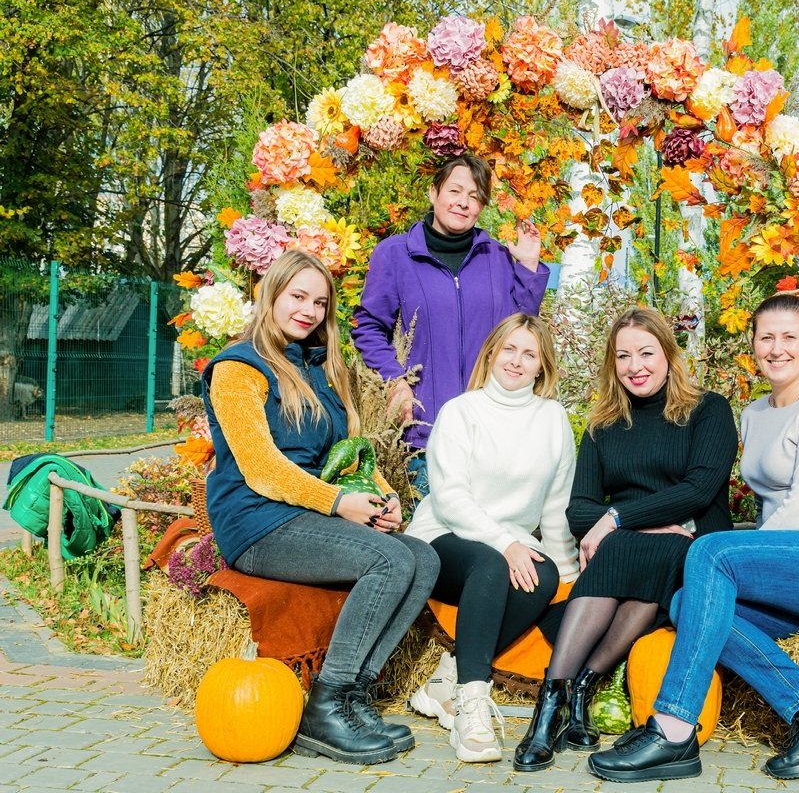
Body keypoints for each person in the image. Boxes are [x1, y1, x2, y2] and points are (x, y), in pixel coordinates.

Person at [588, 294, 799, 783]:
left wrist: (716, 550)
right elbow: (769, 515)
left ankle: (673, 727)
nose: (777, 349)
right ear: (753, 345)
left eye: (790, 337)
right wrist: (702, 540)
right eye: (766, 338)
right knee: (686, 603)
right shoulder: (755, 413)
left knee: (710, 555)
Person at [202, 249, 439, 766]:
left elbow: (348, 450)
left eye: (320, 302)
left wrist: (382, 497)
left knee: (423, 557)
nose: (309, 311)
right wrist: (338, 502)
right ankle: (324, 708)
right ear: (271, 294)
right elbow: (262, 468)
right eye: (298, 297)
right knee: (389, 560)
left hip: (309, 514)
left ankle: (355, 698)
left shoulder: (320, 368)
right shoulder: (238, 368)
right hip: (257, 521)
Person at [514, 307, 738, 772]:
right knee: (624, 546)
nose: (635, 366)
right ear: (611, 363)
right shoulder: (603, 425)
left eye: (646, 353)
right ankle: (558, 700)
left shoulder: (707, 410)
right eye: (623, 356)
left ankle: (569, 694)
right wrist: (627, 523)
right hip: (630, 544)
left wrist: (617, 518)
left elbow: (699, 491)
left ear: (668, 354)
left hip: (694, 540)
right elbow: (578, 510)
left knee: (647, 546)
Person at [404, 314, 580, 763]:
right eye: (509, 349)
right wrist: (505, 543)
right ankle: (472, 705)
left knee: (542, 579)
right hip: (443, 536)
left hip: (508, 544)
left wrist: (568, 574)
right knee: (491, 564)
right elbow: (451, 498)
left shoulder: (552, 419)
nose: (517, 361)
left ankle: (446, 676)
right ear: (492, 353)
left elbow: (556, 506)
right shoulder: (462, 411)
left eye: (529, 354)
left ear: (542, 366)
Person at [351, 153, 550, 497]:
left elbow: (520, 330)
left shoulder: (497, 258)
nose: (463, 202)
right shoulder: (395, 254)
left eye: (474, 196)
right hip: (425, 436)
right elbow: (368, 326)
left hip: (490, 433)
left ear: (482, 206)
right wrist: (396, 379)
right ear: (434, 192)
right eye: (455, 191)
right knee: (431, 527)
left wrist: (529, 264)